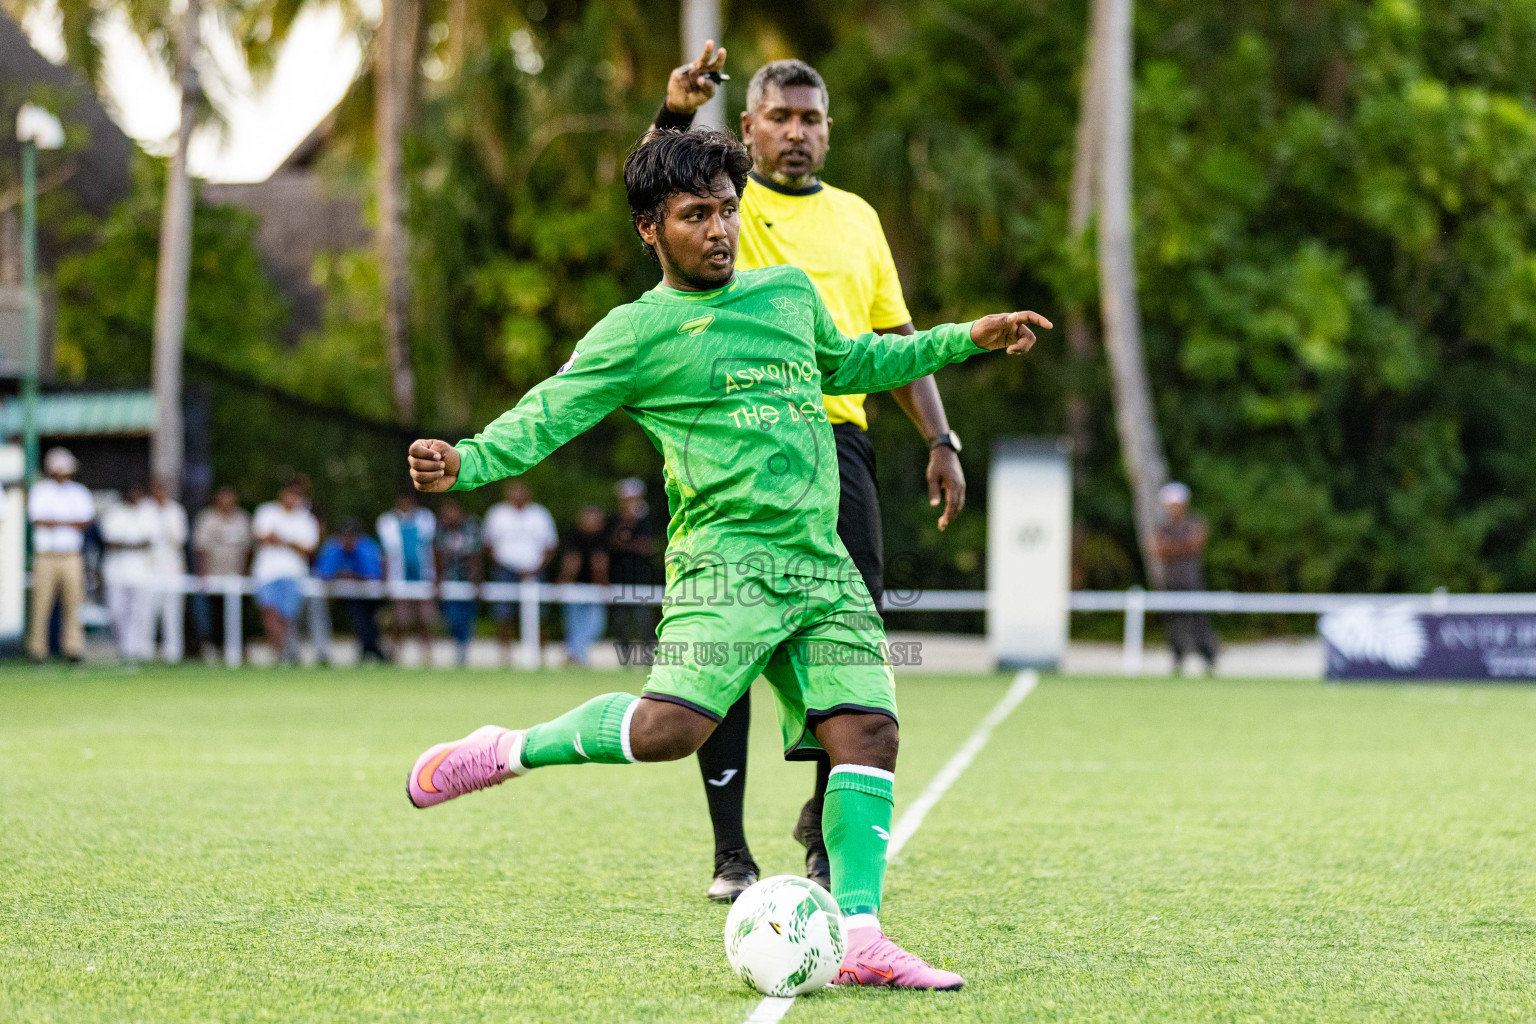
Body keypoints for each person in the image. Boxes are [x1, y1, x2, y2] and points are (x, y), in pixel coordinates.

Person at [402, 128, 1049, 989]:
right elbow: (549, 413)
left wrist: (964, 337)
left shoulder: (786, 294)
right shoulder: (634, 334)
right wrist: (470, 459)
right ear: (649, 229)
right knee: (671, 731)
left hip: (819, 566)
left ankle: (858, 935)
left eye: (728, 211)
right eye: (695, 214)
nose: (719, 229)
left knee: (870, 731)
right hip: (724, 566)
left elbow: (856, 359)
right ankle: (508, 748)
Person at [654, 49, 969, 900]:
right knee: (722, 646)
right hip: (732, 434)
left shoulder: (860, 219)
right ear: (748, 128)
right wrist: (679, 114)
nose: (796, 133)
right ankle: (731, 854)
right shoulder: (732, 201)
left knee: (849, 644)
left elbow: (895, 342)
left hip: (840, 448)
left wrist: (941, 441)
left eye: (811, 119)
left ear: (829, 131)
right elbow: (664, 184)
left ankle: (826, 845)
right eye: (780, 118)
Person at [26, 446, 93, 662]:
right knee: (41, 603)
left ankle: (73, 648)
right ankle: (38, 650)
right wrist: (66, 522)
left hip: (71, 554)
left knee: (73, 602)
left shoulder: (78, 491)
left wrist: (56, 522)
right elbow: (37, 519)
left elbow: (84, 522)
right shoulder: (41, 490)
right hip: (45, 555)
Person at [481, 480, 557, 665]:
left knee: (540, 615)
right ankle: (505, 657)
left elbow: (550, 546)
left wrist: (535, 569)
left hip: (535, 572)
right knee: (503, 615)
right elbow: (489, 545)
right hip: (505, 571)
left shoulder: (540, 514)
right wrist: (509, 567)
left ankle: (541, 657)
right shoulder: (497, 514)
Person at [1154, 481, 1219, 675]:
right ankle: (1177, 660)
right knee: (1174, 622)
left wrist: (1173, 548)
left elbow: (1196, 543)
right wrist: (1184, 547)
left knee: (1200, 621)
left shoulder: (1194, 522)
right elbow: (1158, 549)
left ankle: (1208, 659)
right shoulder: (1162, 527)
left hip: (1193, 581)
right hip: (1171, 582)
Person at [251, 481, 319, 664]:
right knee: (269, 611)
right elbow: (260, 536)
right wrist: (291, 543)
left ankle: (285, 652)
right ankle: (280, 651)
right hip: (266, 572)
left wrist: (283, 540)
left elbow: (308, 548)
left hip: (293, 574)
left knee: (286, 616)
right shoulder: (267, 511)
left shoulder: (306, 519)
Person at [314, 518, 388, 663]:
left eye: (351, 536)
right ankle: (370, 651)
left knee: (368, 620)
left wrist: (351, 573)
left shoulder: (367, 546)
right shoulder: (333, 546)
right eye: (344, 536)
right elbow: (324, 573)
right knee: (358, 618)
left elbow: (372, 574)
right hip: (347, 594)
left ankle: (372, 651)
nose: (347, 540)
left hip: (369, 595)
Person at [191, 485, 252, 659]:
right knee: (214, 614)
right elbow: (200, 548)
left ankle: (238, 650)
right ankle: (214, 648)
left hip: (236, 576)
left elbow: (248, 549)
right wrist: (202, 573)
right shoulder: (207, 518)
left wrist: (246, 572)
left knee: (238, 616)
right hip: (213, 575)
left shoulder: (242, 519)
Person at [99, 484, 157, 662]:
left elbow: (149, 541)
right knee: (117, 611)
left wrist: (125, 544)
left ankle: (136, 650)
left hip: (141, 572)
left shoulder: (149, 511)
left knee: (139, 612)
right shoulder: (114, 512)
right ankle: (123, 647)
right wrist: (134, 544)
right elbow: (109, 541)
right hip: (116, 571)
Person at [377, 491, 437, 663]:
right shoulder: (387, 521)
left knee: (425, 619)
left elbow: (431, 548)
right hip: (399, 578)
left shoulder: (425, 518)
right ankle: (395, 654)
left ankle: (427, 656)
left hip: (423, 577)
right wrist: (386, 579)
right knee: (400, 620)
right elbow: (387, 554)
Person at [606, 477, 658, 652]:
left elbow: (648, 547)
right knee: (620, 621)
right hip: (619, 577)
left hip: (640, 577)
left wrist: (629, 543)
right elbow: (615, 541)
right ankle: (625, 658)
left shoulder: (646, 519)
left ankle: (647, 656)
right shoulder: (616, 519)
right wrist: (628, 521)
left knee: (644, 620)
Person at [556, 504, 610, 666]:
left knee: (594, 627)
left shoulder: (602, 539)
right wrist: (565, 581)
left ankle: (575, 655)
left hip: (594, 589)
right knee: (576, 625)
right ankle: (577, 657)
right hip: (577, 587)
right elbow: (574, 563)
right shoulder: (576, 538)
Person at [434, 499, 483, 667]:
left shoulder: (471, 528)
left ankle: (464, 650)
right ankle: (458, 646)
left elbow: (477, 556)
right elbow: (438, 556)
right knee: (453, 617)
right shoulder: (441, 530)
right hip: (450, 580)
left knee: (467, 617)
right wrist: (438, 580)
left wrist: (477, 581)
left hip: (468, 580)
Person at [146, 479, 189, 664]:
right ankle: (144, 651)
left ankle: (173, 653)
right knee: (147, 613)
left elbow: (180, 538)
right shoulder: (144, 509)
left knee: (172, 614)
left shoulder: (176, 511)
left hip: (172, 569)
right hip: (148, 570)